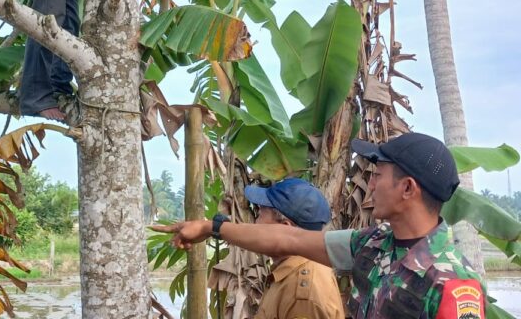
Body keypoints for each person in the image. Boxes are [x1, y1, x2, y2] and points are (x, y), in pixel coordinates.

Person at [153, 132, 486, 319]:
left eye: (378, 175)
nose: (370, 186)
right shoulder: (372, 244)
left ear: (408, 188)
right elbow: (288, 239)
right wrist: (212, 227)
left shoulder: (453, 282)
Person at [244, 178, 344, 319]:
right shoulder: (289, 273)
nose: (255, 223)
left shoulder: (303, 295)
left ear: (284, 228)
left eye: (260, 215)